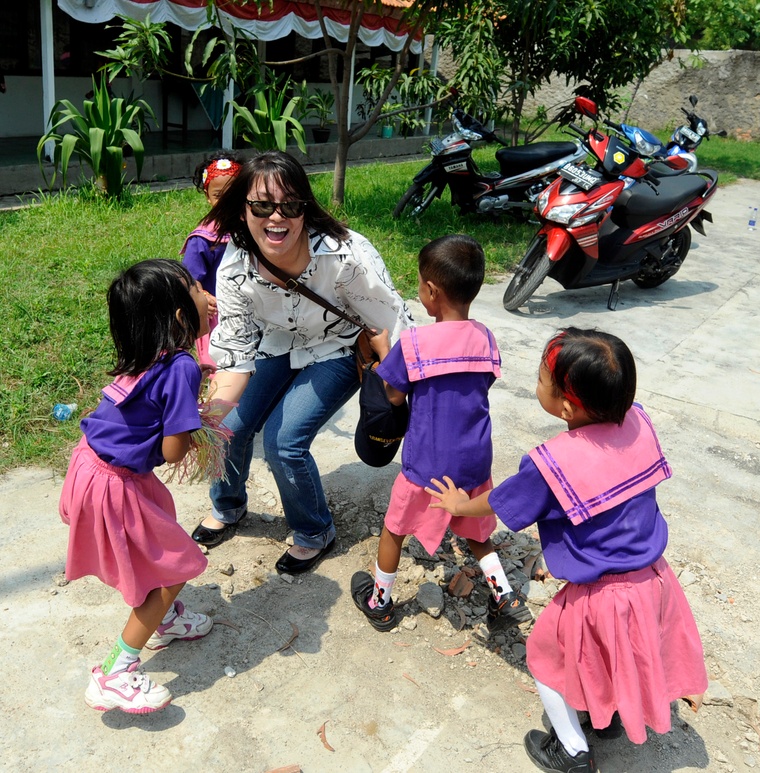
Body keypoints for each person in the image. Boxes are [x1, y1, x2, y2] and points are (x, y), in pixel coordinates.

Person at [427, 329, 708, 773]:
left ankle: (573, 750)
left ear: (566, 406)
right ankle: (607, 715)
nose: (536, 384)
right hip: (655, 579)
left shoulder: (553, 463)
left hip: (602, 596)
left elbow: (503, 501)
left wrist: (460, 504)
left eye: (541, 379)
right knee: (618, 653)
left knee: (544, 657)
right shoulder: (638, 423)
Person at [189, 150, 412, 575]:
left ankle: (314, 531)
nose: (277, 217)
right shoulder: (235, 266)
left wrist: (399, 395)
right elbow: (234, 353)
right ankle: (229, 505)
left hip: (338, 347)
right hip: (275, 344)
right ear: (242, 208)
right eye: (261, 205)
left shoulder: (345, 255)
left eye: (290, 206)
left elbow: (391, 323)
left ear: (305, 208)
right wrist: (205, 420)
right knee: (229, 428)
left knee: (283, 442)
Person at [350, 234, 530, 634]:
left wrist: (383, 351)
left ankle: (379, 601)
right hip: (474, 459)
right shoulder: (485, 337)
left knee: (394, 529)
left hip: (427, 463)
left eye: (418, 284)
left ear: (431, 291)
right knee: (477, 533)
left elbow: (394, 395)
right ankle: (505, 594)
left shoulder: (414, 342)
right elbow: (483, 384)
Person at [59, 259, 215, 714]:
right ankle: (115, 671)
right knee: (174, 567)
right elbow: (172, 452)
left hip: (92, 465)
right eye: (199, 289)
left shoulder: (147, 352)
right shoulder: (182, 366)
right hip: (115, 483)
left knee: (159, 541)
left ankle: (163, 622)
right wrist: (199, 423)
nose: (210, 295)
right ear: (181, 318)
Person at [180, 152, 243, 370]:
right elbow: (190, 278)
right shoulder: (203, 238)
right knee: (218, 364)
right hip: (216, 315)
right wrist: (204, 298)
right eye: (218, 195)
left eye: (233, 193)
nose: (226, 200)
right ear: (208, 196)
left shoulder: (254, 229)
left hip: (249, 307)